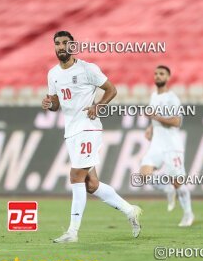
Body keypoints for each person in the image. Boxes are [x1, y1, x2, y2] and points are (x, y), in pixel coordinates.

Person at [42, 30, 142, 243]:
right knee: (92, 185)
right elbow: (56, 104)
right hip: (71, 131)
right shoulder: (53, 74)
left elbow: (111, 89)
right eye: (57, 43)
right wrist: (50, 104)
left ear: (72, 46)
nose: (61, 47)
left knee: (76, 176)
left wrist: (98, 106)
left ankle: (72, 232)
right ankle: (130, 211)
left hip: (88, 128)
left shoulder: (87, 69)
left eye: (65, 43)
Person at [140, 65, 194, 227]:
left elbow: (177, 121)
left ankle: (188, 214)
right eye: (156, 73)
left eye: (161, 74)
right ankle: (167, 189)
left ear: (168, 77)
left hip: (172, 145)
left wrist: (155, 117)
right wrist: (150, 128)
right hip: (157, 143)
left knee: (178, 181)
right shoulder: (154, 96)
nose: (157, 76)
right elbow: (155, 119)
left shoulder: (172, 98)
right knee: (144, 174)